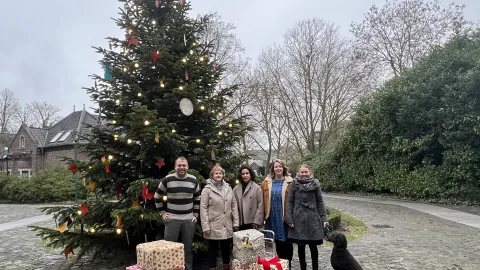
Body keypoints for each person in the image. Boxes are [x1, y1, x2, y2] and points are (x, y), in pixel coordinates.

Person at [154, 157, 201, 270]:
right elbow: (157, 196)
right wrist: (162, 213)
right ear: (175, 167)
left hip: (189, 219)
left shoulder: (193, 180)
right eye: (179, 165)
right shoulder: (167, 179)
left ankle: (188, 268)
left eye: (184, 165)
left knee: (188, 248)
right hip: (172, 219)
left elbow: (197, 199)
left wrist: (195, 215)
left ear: (187, 167)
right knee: (169, 247)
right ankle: (168, 268)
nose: (182, 167)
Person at [286, 164, 328, 270]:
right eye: (302, 172)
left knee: (313, 246)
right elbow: (290, 202)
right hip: (298, 219)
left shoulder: (315, 183)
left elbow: (320, 202)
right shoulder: (294, 184)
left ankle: (315, 267)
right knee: (301, 246)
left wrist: (323, 218)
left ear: (310, 172)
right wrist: (289, 218)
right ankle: (302, 267)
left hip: (312, 218)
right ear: (298, 173)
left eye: (306, 172)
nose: (304, 174)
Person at [200, 165, 239, 270]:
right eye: (216, 173)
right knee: (212, 249)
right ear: (212, 175)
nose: (218, 175)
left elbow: (234, 205)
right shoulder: (207, 190)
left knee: (226, 248)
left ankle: (226, 267)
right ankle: (213, 267)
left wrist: (236, 222)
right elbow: (203, 208)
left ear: (223, 175)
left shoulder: (228, 188)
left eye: (220, 173)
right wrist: (205, 226)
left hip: (227, 223)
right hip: (213, 224)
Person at [260, 159, 294, 268]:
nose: (278, 168)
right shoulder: (266, 182)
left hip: (285, 216)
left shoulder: (291, 182)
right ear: (272, 169)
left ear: (283, 168)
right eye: (276, 167)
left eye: (280, 166)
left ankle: (288, 264)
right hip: (272, 216)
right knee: (276, 241)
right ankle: (280, 265)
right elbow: (261, 199)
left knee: (287, 241)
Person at [232, 165, 264, 230]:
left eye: (247, 173)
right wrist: (235, 222)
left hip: (252, 223)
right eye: (243, 174)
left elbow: (260, 206)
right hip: (240, 222)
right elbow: (233, 205)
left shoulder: (257, 188)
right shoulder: (236, 189)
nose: (245, 175)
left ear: (250, 174)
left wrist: (257, 221)